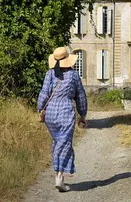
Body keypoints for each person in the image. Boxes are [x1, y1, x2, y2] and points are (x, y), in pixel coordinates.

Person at [37, 46, 88, 192]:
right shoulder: (73, 75)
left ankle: (60, 176)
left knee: (59, 142)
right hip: (65, 112)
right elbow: (81, 97)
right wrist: (82, 114)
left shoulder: (49, 74)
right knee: (64, 143)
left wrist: (40, 110)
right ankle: (59, 177)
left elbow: (43, 94)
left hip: (51, 114)